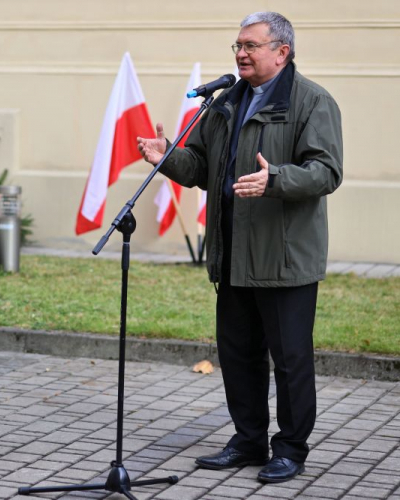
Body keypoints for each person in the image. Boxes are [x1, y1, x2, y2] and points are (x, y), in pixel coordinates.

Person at [137, 11, 342, 483]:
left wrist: (276, 178)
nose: (242, 53)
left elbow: (327, 171)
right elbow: (200, 169)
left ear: (282, 51)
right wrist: (167, 156)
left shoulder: (311, 102)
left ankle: (290, 448)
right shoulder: (225, 103)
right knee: (238, 354)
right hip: (231, 254)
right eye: (238, 46)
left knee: (290, 359)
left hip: (284, 257)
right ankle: (248, 440)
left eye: (251, 45)